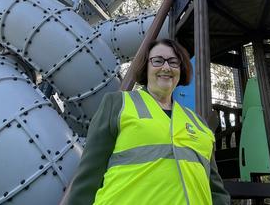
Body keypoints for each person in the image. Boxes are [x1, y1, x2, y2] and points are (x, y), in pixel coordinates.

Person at [63, 38, 231, 204]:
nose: (166, 67)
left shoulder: (199, 123)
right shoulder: (117, 104)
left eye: (173, 62)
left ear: (181, 69)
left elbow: (215, 189)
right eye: (158, 61)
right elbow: (89, 175)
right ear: (146, 67)